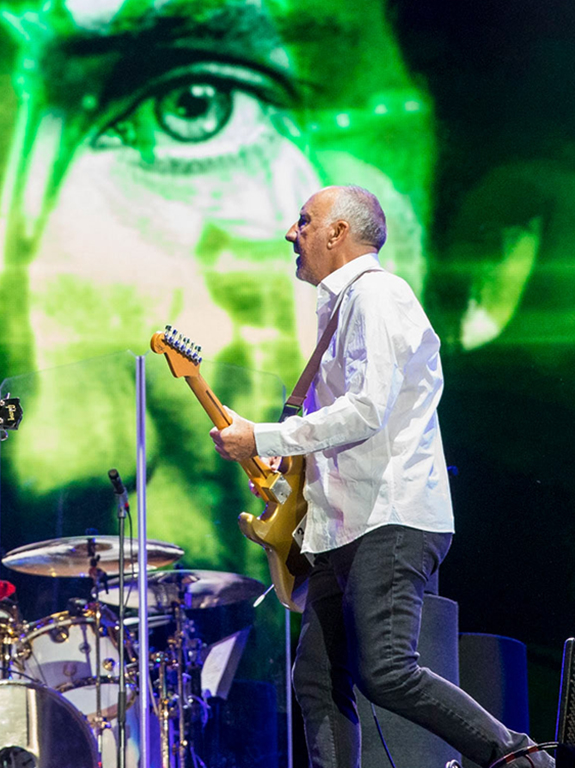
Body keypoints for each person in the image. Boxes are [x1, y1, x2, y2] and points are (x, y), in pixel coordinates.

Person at [209, 185, 552, 767]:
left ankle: (522, 760)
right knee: (317, 682)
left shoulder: (379, 295)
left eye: (304, 222)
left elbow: (368, 411)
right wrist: (285, 474)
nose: (291, 234)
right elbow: (347, 429)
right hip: (341, 528)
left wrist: (262, 435)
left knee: (388, 672)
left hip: (389, 519)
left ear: (338, 232)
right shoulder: (340, 308)